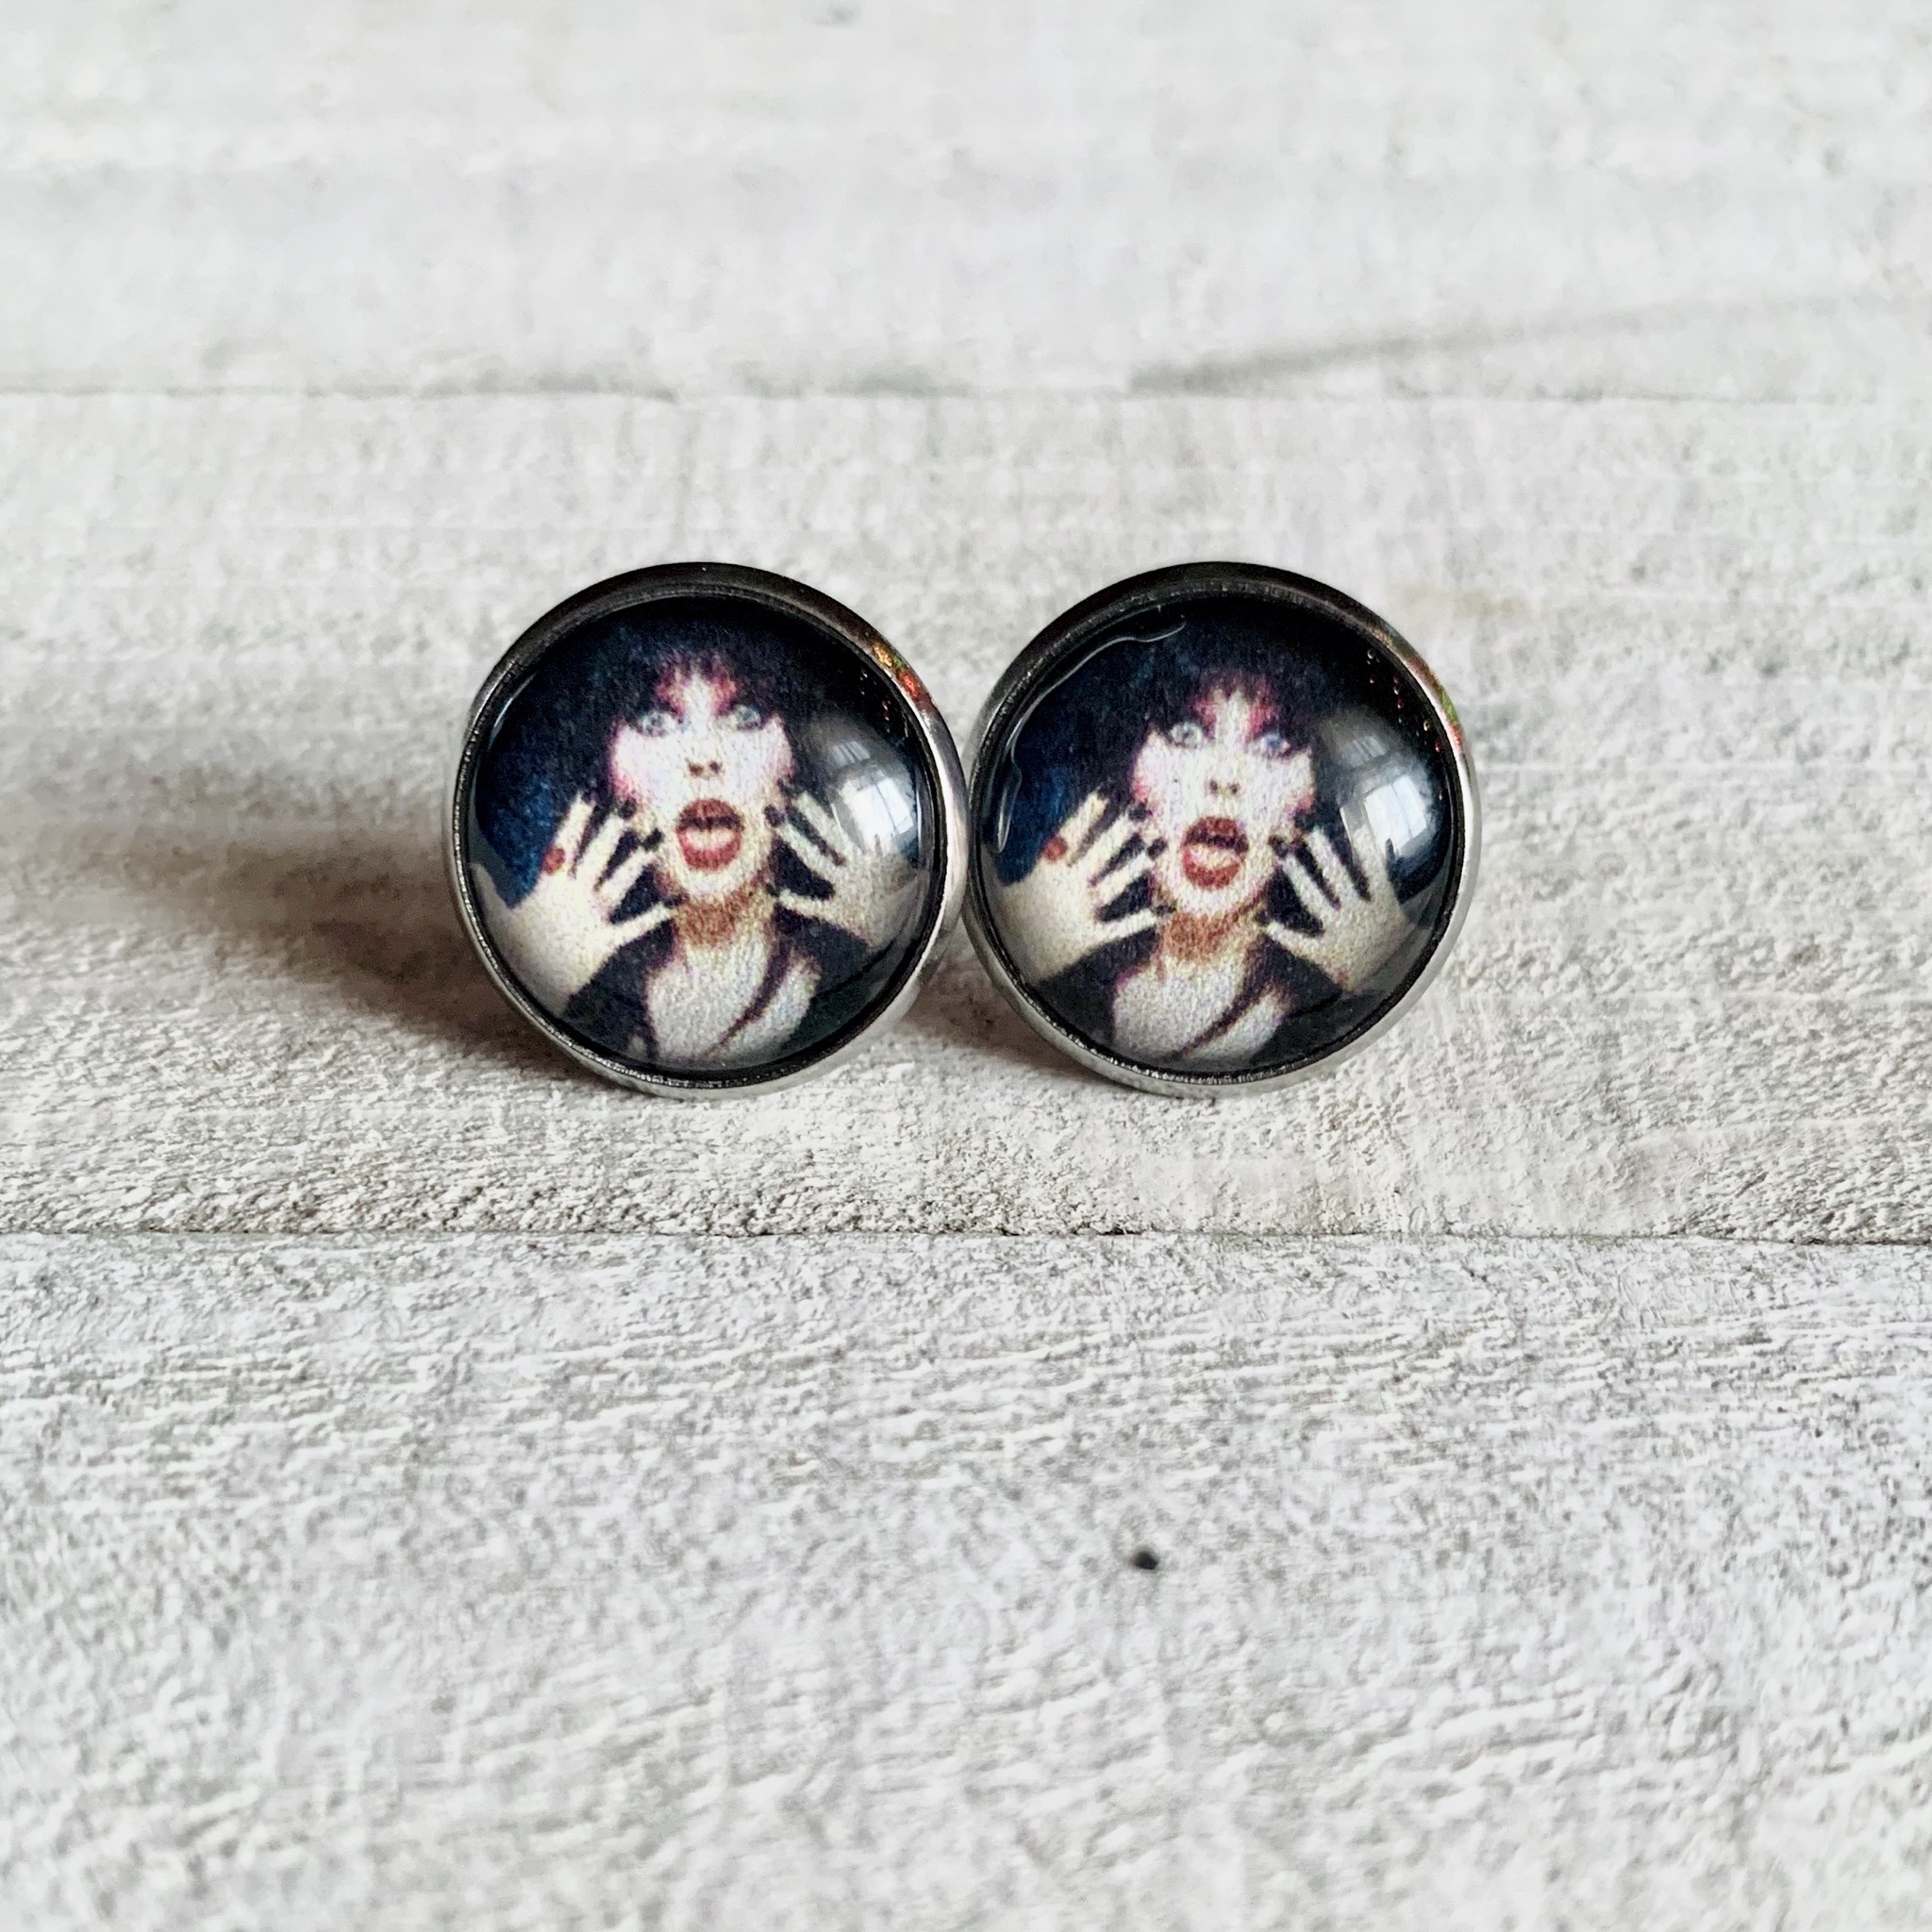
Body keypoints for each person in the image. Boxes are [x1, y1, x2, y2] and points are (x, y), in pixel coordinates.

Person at [473, 651, 917, 1069]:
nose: (704, 758)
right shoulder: (576, 982)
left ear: (797, 759)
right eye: (654, 720)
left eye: (747, 716)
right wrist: (540, 957)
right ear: (605, 766)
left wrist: (890, 934)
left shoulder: (857, 970)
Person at [986, 659, 1411, 1070]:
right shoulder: (1069, 979)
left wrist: (1372, 977)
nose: (1225, 778)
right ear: (1129, 772)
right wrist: (1029, 937)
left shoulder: (1322, 1008)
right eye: (1185, 732)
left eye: (1274, 743)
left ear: (1312, 797)